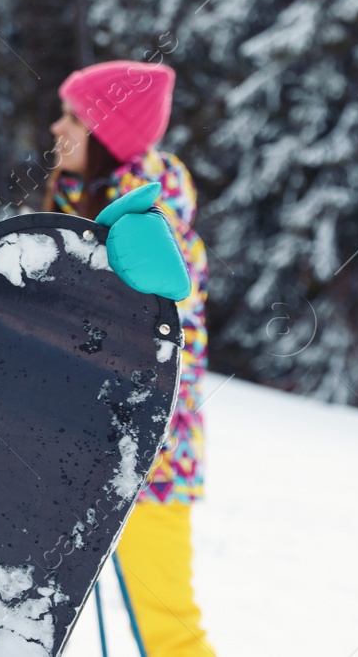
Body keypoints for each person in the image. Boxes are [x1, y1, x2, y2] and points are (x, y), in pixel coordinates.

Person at [46, 61, 216, 657]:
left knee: (167, 627)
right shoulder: (86, 208)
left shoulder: (153, 233)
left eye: (72, 117)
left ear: (106, 133)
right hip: (78, 449)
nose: (54, 127)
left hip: (151, 462)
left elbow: (164, 351)